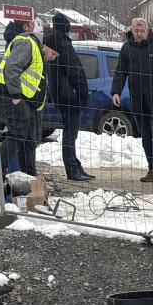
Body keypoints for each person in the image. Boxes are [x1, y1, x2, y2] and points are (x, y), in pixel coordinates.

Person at [111, 18, 153, 184]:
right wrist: (116, 91)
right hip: (138, 100)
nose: (138, 34)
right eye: (136, 31)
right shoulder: (127, 48)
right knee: (145, 137)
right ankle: (152, 169)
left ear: (147, 31)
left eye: (141, 31)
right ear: (132, 31)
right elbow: (120, 71)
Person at [0, 18, 45, 180]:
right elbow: (12, 68)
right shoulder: (25, 42)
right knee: (17, 133)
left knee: (27, 137)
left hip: (16, 94)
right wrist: (15, 96)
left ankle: (29, 175)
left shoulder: (30, 44)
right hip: (10, 93)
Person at [44, 12, 93, 181]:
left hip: (60, 95)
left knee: (69, 133)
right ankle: (72, 169)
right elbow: (74, 71)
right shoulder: (63, 45)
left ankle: (75, 165)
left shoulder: (49, 43)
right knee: (70, 134)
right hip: (70, 96)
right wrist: (82, 92)